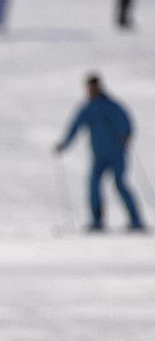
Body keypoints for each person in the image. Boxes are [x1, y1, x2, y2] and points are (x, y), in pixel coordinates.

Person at [56, 74, 145, 232]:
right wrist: (64, 144)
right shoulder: (88, 108)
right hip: (99, 156)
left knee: (120, 184)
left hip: (117, 154)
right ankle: (97, 221)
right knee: (94, 186)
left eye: (93, 87)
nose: (90, 90)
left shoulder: (112, 106)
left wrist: (126, 135)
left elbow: (126, 122)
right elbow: (75, 127)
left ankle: (136, 220)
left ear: (98, 86)